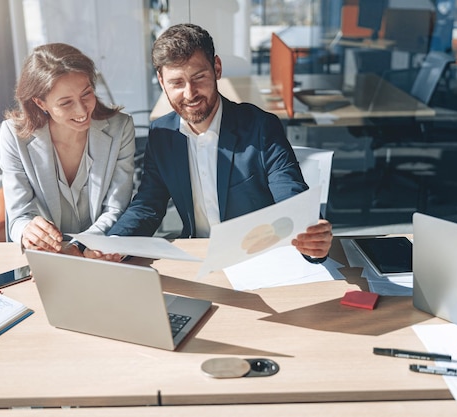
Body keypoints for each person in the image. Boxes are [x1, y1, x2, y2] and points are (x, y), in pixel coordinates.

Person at [107, 23, 332, 261]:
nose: (189, 93)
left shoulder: (260, 127)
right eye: (176, 83)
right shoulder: (162, 134)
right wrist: (115, 244)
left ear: (217, 68)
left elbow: (290, 191)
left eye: (199, 77)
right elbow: (148, 205)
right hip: (198, 257)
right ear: (162, 82)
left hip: (257, 258)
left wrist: (310, 233)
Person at [0, 43, 135, 259]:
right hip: (47, 257)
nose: (82, 110)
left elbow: (116, 208)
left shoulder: (120, 128)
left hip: (101, 254)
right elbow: (18, 217)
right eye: (66, 103)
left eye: (86, 94)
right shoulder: (14, 136)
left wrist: (79, 246)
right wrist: (28, 231)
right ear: (40, 103)